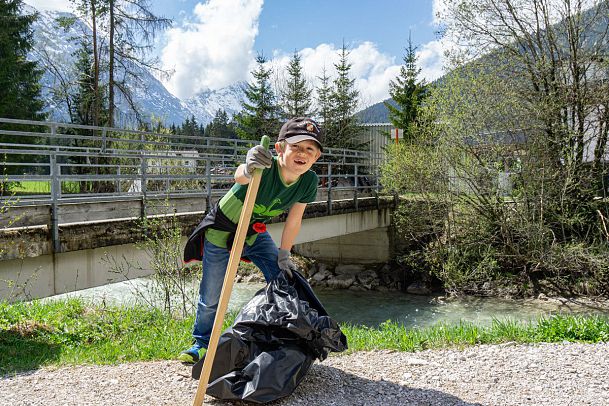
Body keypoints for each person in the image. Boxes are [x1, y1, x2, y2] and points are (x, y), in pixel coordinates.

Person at [178, 117, 323, 363]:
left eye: (309, 149)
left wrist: (284, 253)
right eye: (295, 146)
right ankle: (201, 344)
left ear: (317, 157)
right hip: (221, 230)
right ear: (279, 148)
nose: (302, 153)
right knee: (212, 294)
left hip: (254, 231)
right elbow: (239, 177)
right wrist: (248, 167)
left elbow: (294, 220)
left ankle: (279, 337)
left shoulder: (309, 181)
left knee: (283, 279)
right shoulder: (264, 166)